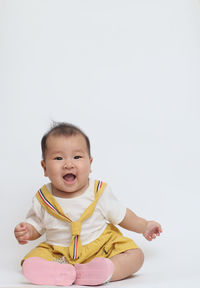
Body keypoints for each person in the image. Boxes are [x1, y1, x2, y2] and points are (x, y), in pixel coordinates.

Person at [14, 122, 162, 286]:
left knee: (136, 256)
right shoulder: (44, 198)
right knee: (30, 262)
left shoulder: (98, 192)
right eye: (58, 158)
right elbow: (37, 224)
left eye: (77, 157)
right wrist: (28, 231)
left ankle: (105, 270)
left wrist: (144, 226)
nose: (68, 164)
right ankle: (60, 273)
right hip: (59, 252)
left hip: (101, 248)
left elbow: (123, 216)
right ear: (45, 168)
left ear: (90, 164)